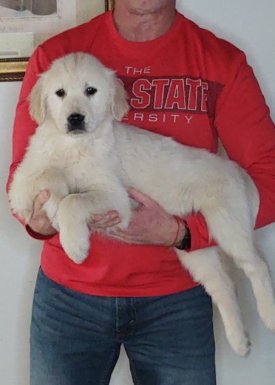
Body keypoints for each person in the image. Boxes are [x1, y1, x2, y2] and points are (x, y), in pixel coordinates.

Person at [7, 1, 275, 384]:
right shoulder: (55, 58)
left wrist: (182, 233)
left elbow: (270, 179)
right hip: (70, 301)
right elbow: (24, 173)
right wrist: (40, 218)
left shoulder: (220, 62)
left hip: (176, 303)